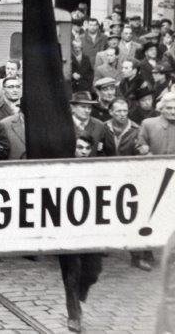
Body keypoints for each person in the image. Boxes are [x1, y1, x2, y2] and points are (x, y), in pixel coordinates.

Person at [58, 135, 104, 333]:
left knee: (93, 271)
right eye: (80, 147)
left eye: (87, 148)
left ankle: (80, 294)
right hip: (67, 229)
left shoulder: (97, 170)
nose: (83, 151)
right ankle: (74, 315)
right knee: (72, 273)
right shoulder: (63, 169)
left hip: (91, 229)